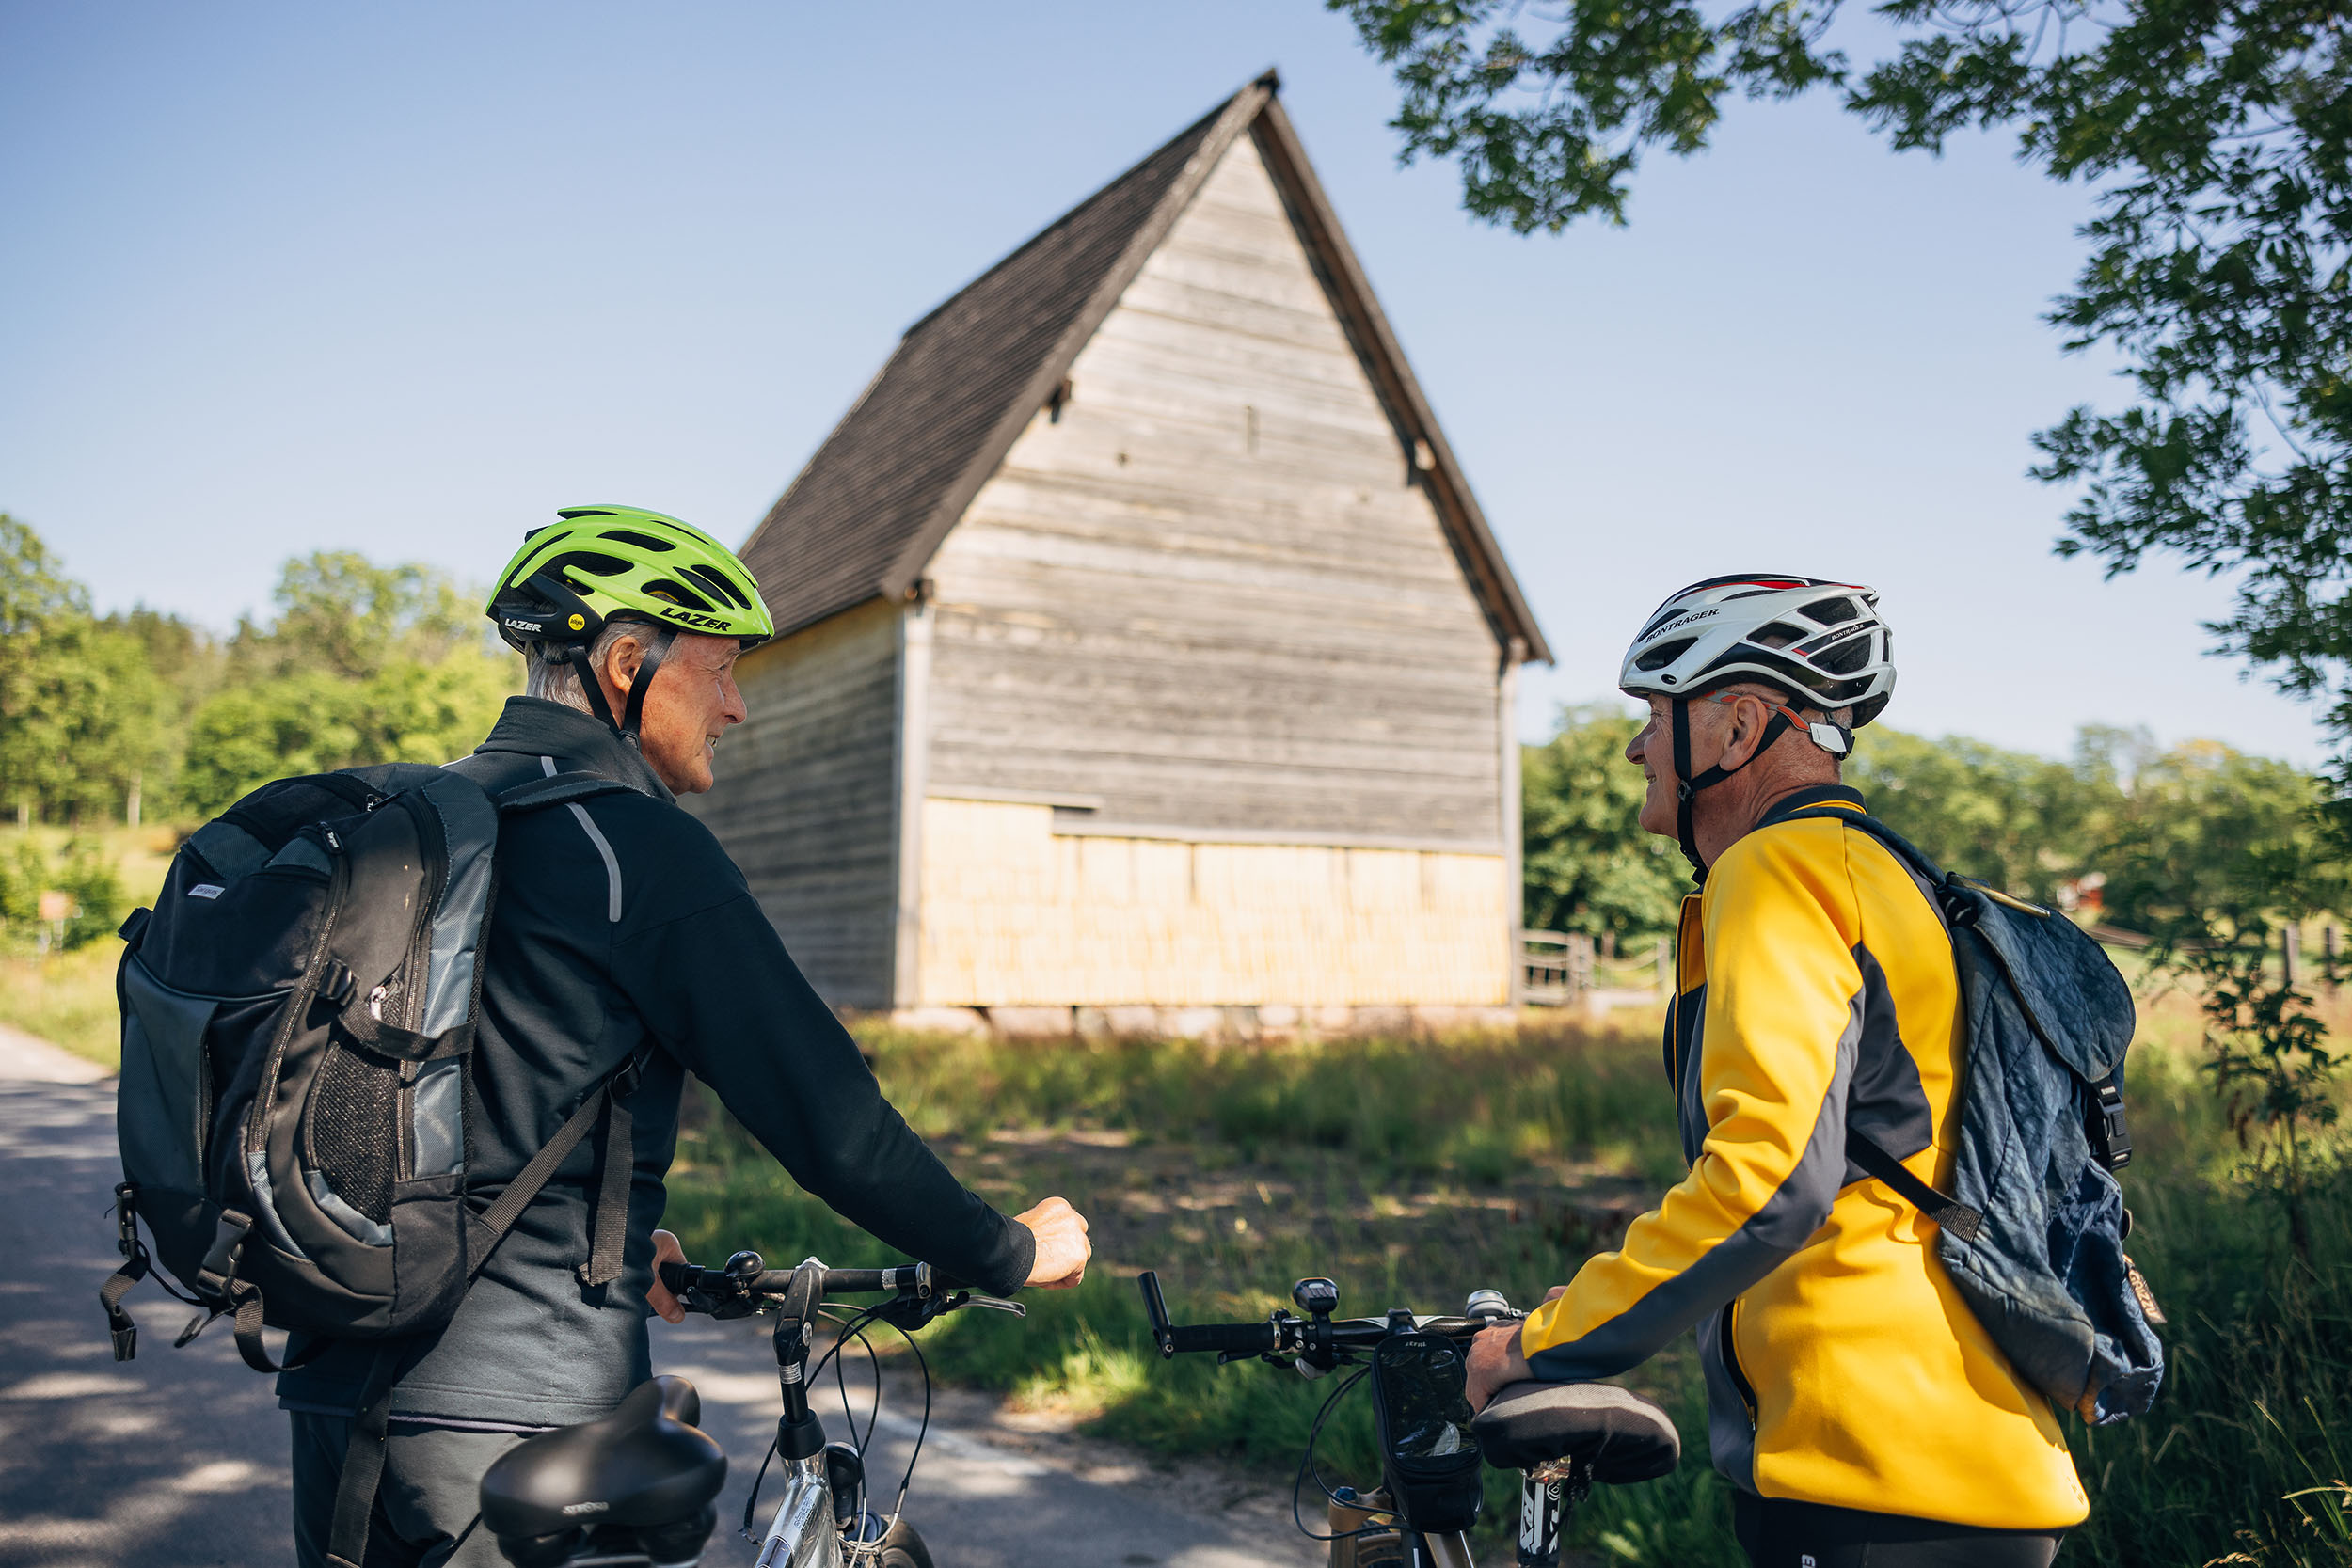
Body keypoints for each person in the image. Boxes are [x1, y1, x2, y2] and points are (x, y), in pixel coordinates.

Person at [278, 505, 1092, 1567]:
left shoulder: (422, 827)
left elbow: (453, 1092)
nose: (737, 706)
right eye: (717, 670)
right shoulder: (638, 850)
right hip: (525, 1424)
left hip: (335, 1401)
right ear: (627, 661)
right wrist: (1008, 1249)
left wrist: (606, 1238)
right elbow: (830, 1121)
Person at [1462, 575, 2086, 1568]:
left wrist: (1543, 1340)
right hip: (1978, 1453)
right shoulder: (1896, 877)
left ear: (1738, 726)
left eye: (1653, 713)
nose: (1633, 747)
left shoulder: (1775, 869)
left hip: (1869, 1467)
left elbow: (1766, 1182)